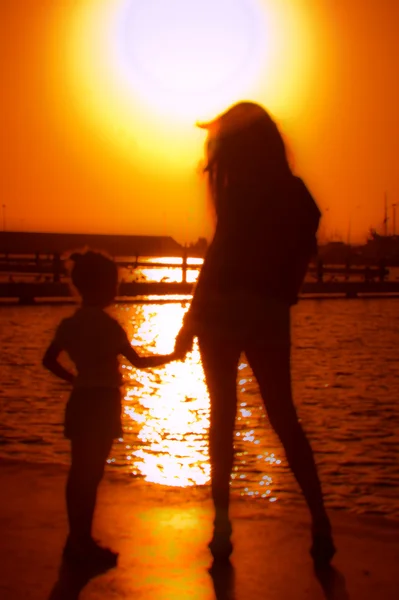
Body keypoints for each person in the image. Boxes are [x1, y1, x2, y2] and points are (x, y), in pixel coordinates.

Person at [174, 101, 335, 567]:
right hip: (265, 311)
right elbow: (302, 252)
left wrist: (190, 321)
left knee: (221, 418)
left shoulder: (237, 192)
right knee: (284, 418)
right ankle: (321, 520)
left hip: (221, 310)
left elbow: (218, 258)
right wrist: (283, 292)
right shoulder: (294, 193)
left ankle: (221, 530)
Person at [43, 250, 179, 569]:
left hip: (80, 400)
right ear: (104, 287)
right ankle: (82, 542)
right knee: (92, 475)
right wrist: (173, 356)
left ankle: (75, 538)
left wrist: (73, 378)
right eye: (114, 284)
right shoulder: (110, 328)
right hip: (103, 403)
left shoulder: (69, 324)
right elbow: (139, 362)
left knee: (79, 473)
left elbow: (48, 361)